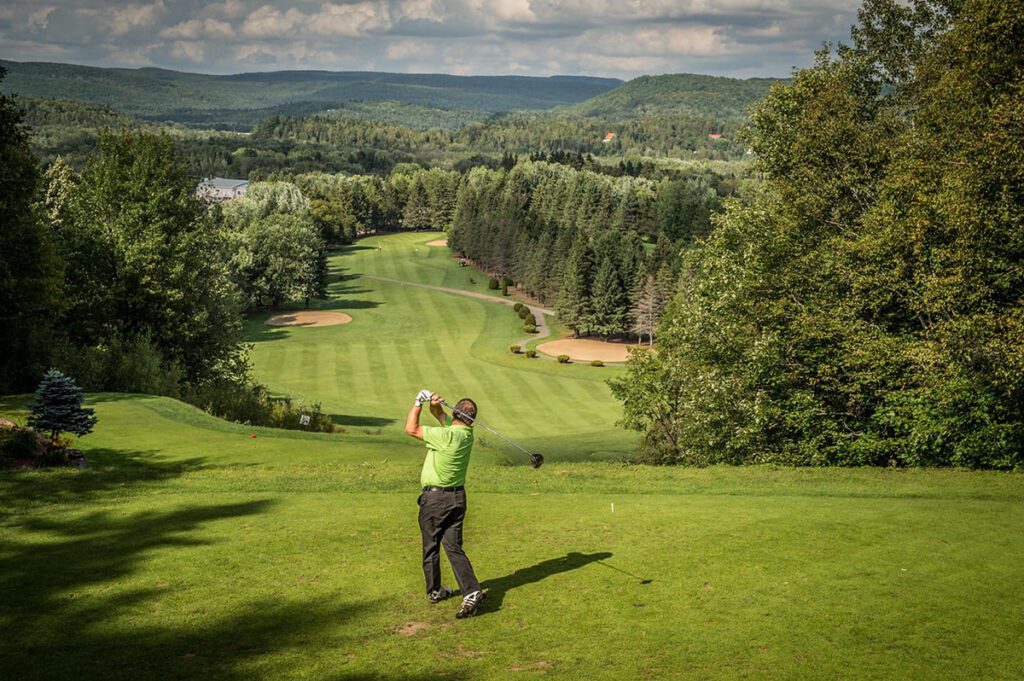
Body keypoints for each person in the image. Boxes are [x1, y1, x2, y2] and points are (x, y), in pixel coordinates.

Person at [405, 389, 485, 619]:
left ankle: (435, 591)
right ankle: (472, 591)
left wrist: (418, 401)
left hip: (435, 501)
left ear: (456, 413)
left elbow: (411, 428)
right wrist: (434, 404)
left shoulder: (446, 436)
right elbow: (439, 414)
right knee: (453, 547)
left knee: (431, 546)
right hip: (457, 499)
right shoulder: (466, 434)